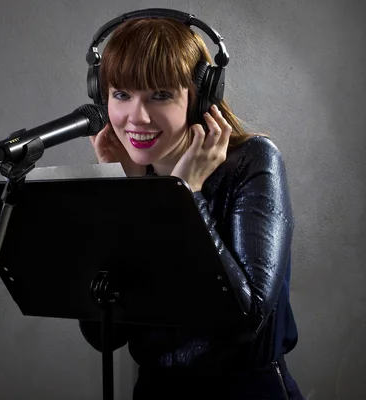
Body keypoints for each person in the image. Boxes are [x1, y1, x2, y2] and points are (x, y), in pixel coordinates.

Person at [79, 10, 304, 400]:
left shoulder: (253, 160)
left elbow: (245, 317)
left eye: (160, 94)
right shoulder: (134, 178)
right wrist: (125, 193)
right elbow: (103, 334)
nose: (137, 117)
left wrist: (186, 192)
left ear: (200, 97)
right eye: (121, 94)